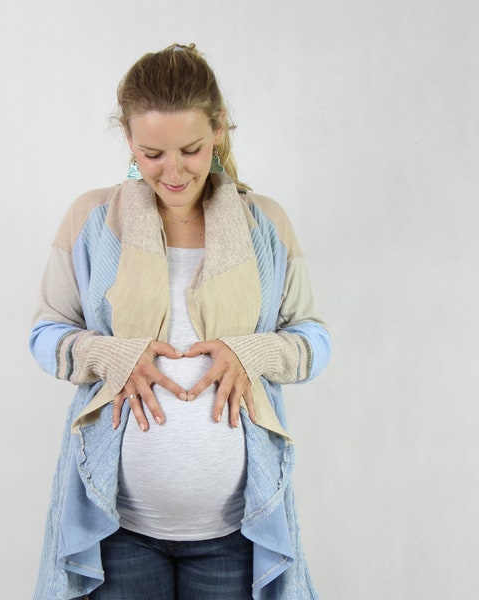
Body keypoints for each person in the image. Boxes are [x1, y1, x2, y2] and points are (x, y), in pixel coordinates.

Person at [29, 43, 331, 600]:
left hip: (235, 531)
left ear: (218, 129)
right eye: (152, 154)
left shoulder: (265, 222)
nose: (173, 171)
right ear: (128, 142)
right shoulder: (94, 221)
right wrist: (111, 355)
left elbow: (313, 339)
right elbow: (46, 334)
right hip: (117, 528)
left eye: (190, 150)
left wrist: (253, 352)